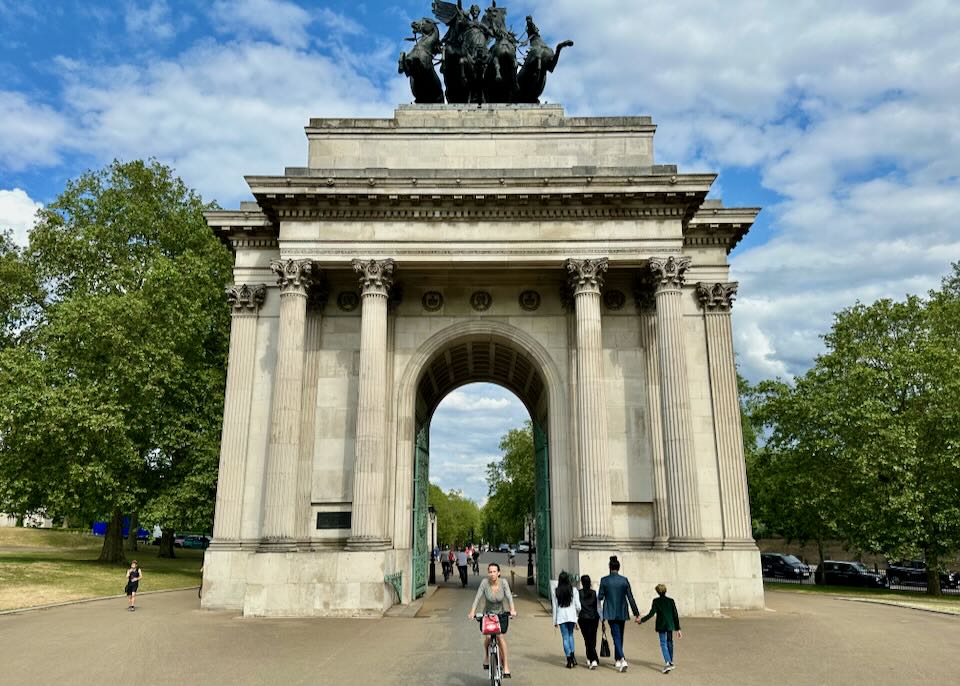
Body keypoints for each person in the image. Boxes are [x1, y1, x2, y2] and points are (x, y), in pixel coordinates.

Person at [468, 562, 517, 677]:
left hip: (500, 614)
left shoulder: (503, 583)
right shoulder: (485, 583)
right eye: (490, 572)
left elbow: (509, 597)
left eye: (494, 571)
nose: (492, 574)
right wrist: (472, 611)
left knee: (500, 637)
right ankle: (486, 656)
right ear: (488, 573)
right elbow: (478, 597)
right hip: (488, 614)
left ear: (498, 573)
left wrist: (513, 610)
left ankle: (506, 666)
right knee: (489, 637)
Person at [597, 555, 640, 672]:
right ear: (619, 568)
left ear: (609, 567)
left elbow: (600, 596)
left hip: (610, 611)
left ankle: (621, 659)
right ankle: (617, 658)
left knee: (616, 635)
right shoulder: (624, 580)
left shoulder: (604, 580)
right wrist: (636, 613)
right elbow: (630, 598)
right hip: (622, 610)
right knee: (620, 634)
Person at [638, 583, 682, 673]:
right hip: (670, 624)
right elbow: (675, 615)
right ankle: (671, 661)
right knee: (669, 642)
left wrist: (641, 620)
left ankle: (668, 663)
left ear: (657, 592)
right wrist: (678, 629)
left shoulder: (656, 601)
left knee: (663, 643)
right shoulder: (671, 601)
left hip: (661, 625)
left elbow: (651, 613)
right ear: (665, 591)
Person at [552, 571, 581, 668]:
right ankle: (573, 656)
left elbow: (555, 607)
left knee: (565, 637)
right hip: (571, 616)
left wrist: (555, 621)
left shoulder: (556, 591)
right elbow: (578, 606)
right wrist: (577, 617)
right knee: (570, 635)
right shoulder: (574, 590)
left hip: (561, 616)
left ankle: (569, 659)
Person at [578, 574, 600, 669]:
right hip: (594, 618)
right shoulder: (594, 593)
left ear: (582, 583)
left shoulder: (579, 593)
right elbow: (597, 607)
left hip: (583, 618)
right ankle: (592, 658)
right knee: (593, 638)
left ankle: (592, 658)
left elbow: (578, 606)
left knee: (587, 639)